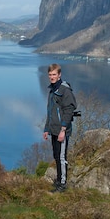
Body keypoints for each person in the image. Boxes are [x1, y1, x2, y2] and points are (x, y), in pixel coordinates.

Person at [43, 63, 77, 193]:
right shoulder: (52, 90)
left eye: (54, 74)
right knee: (56, 156)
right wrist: (46, 129)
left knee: (62, 158)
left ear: (59, 75)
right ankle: (58, 181)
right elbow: (51, 111)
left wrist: (63, 130)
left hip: (62, 131)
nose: (52, 77)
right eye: (50, 75)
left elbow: (69, 110)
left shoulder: (64, 90)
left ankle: (62, 184)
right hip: (54, 130)